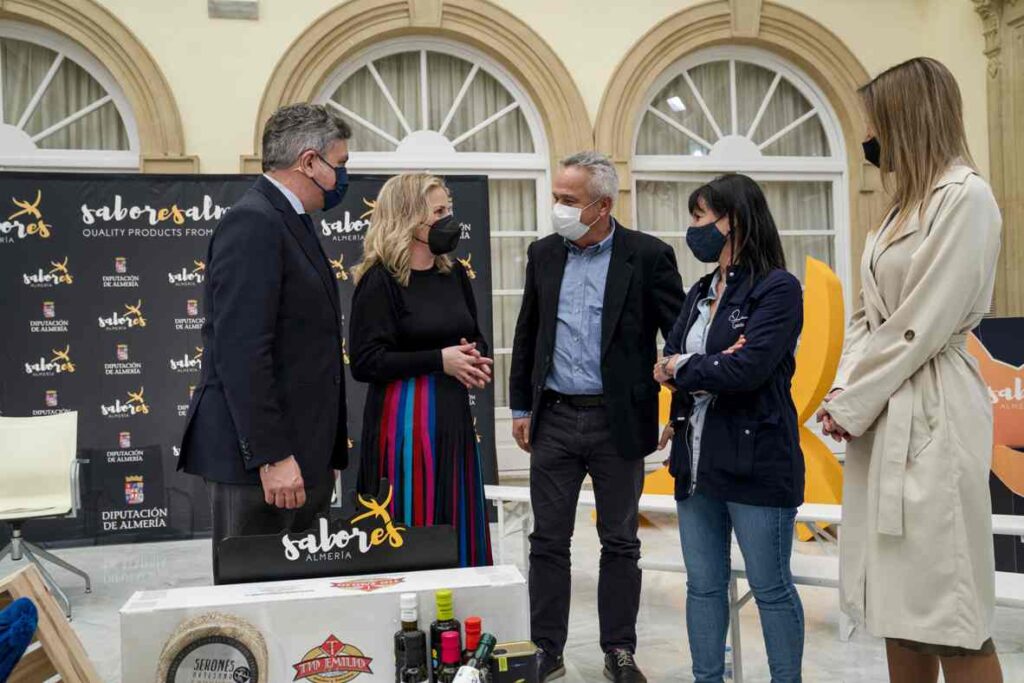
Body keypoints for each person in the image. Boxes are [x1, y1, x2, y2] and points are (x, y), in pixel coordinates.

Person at [817, 57, 1003, 683]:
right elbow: (869, 317)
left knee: (949, 610)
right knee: (895, 608)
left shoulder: (966, 198)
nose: (868, 138)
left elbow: (920, 321)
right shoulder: (897, 212)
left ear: (908, 118)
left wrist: (852, 402)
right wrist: (844, 386)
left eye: (876, 122)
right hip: (885, 407)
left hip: (935, 408)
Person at [509, 151, 684, 683]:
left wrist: (675, 411)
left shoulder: (648, 256)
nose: (558, 208)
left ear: (603, 206)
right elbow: (527, 333)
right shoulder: (543, 254)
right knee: (548, 541)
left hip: (619, 422)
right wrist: (521, 405)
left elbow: (676, 341)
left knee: (621, 541)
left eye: (569, 200)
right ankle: (547, 648)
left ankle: (619, 651)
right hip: (556, 416)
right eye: (556, 197)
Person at [178, 103, 351, 583]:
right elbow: (241, 350)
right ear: (310, 162)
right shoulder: (253, 222)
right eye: (341, 164)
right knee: (255, 602)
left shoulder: (292, 220)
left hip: (302, 455)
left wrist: (324, 455)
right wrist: (273, 456)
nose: (343, 176)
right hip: (262, 465)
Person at [657, 174, 805, 683]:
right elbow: (667, 358)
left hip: (756, 460)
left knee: (770, 587)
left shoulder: (777, 288)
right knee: (703, 586)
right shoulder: (701, 289)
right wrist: (701, 362)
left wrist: (687, 366)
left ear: (733, 220)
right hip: (695, 460)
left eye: (700, 217)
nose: (693, 228)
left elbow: (749, 370)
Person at [349, 173, 494, 568]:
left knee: (456, 513)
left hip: (453, 417)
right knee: (412, 523)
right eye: (440, 211)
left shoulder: (455, 274)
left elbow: (473, 336)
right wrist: (438, 360)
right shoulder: (380, 280)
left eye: (450, 209)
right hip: (403, 424)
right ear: (410, 218)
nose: (450, 219)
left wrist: (473, 357)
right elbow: (365, 361)